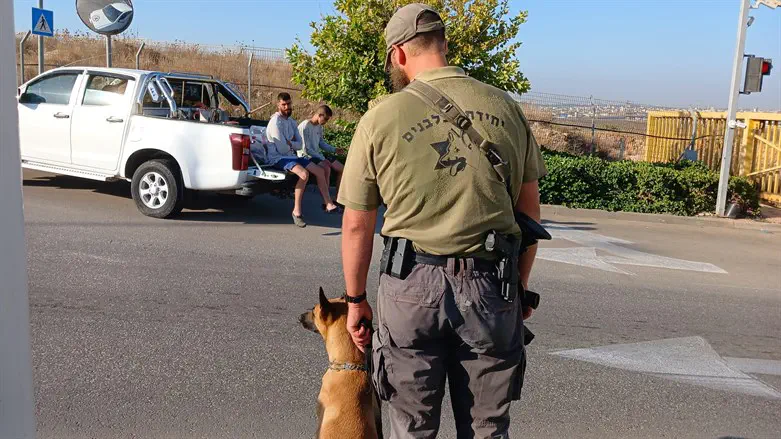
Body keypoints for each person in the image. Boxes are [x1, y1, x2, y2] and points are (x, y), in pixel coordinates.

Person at [337, 4, 547, 439]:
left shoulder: (380, 118)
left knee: (410, 428)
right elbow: (529, 214)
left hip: (410, 287)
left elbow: (358, 224)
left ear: (398, 55)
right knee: (488, 429)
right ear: (445, 46)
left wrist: (355, 300)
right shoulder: (505, 107)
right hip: (492, 286)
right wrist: (521, 286)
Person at [265, 93, 341, 227]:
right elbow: (282, 149)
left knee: (319, 170)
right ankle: (297, 211)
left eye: (288, 104)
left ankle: (328, 203)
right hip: (278, 158)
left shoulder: (292, 122)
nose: (287, 107)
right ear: (278, 105)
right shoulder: (275, 122)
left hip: (292, 156)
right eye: (284, 104)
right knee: (304, 174)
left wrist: (291, 143)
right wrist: (291, 144)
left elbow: (298, 144)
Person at [297, 105, 346, 207]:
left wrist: (335, 150)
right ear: (320, 115)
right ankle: (327, 201)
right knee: (326, 168)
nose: (326, 122)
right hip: (306, 156)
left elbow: (321, 143)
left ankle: (337, 199)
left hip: (318, 154)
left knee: (342, 169)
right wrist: (322, 159)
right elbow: (306, 149)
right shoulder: (305, 126)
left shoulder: (319, 126)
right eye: (326, 119)